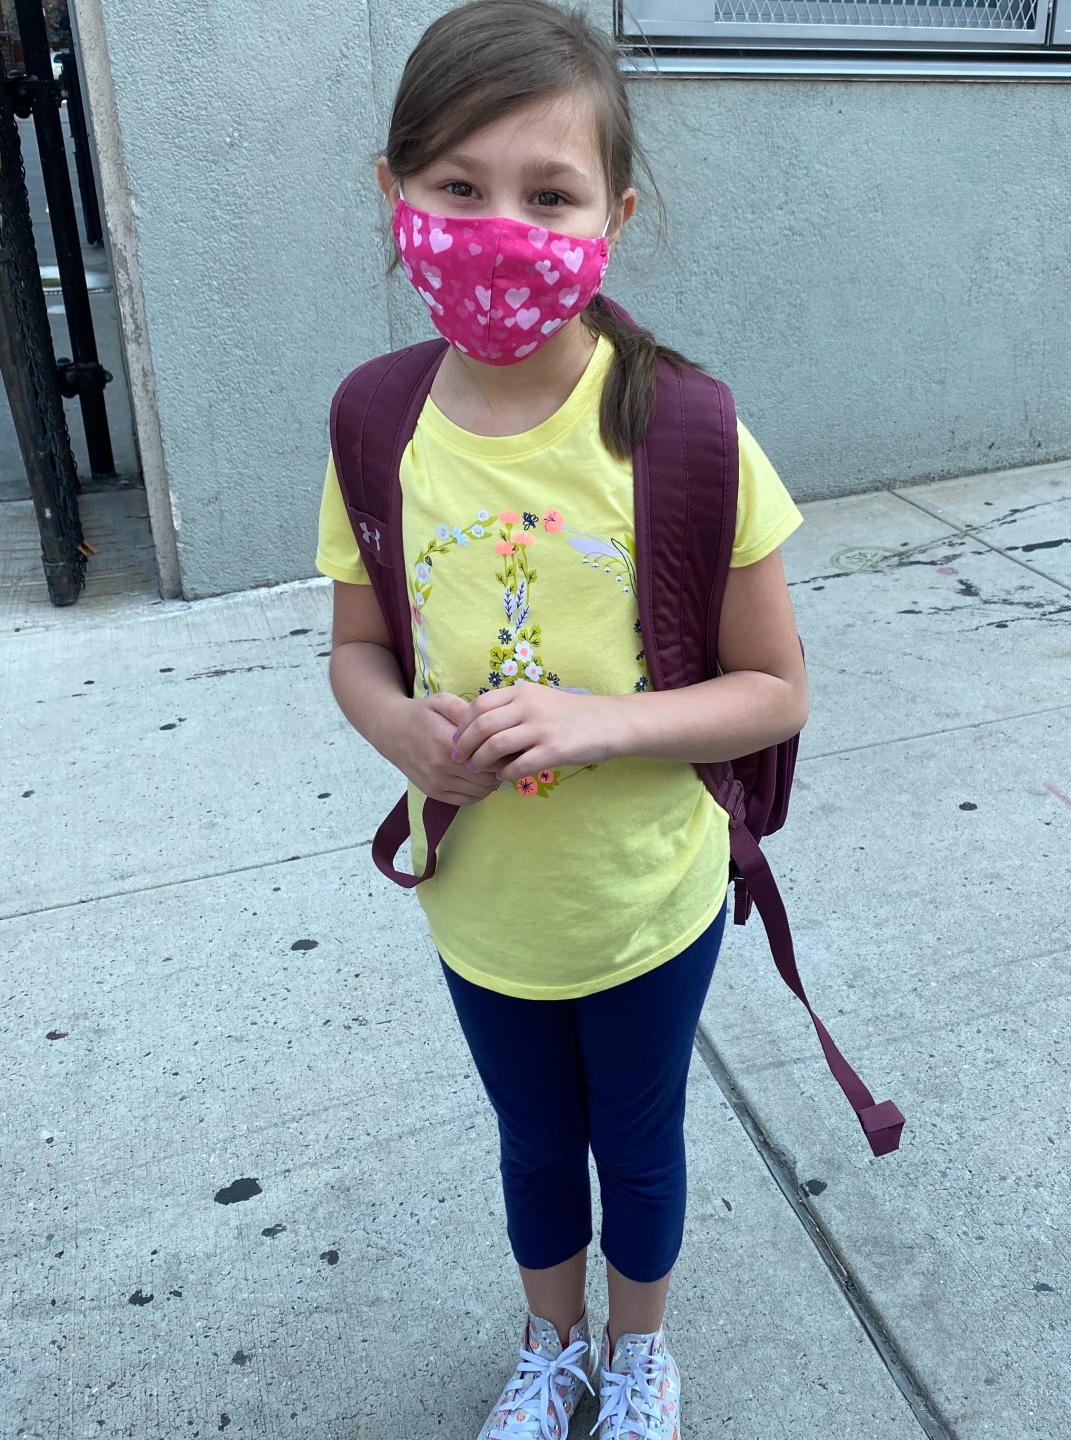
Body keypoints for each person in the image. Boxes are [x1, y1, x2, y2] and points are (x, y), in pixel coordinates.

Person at [314, 2, 807, 1435]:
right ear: (391, 191)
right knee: (534, 1141)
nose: (496, 226)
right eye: (455, 188)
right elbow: (354, 648)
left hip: (641, 897)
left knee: (637, 1147)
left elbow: (770, 687)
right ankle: (553, 1346)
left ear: (615, 214)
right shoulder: (373, 426)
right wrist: (395, 729)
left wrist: (601, 721)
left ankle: (638, 1353)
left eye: (547, 193)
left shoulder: (684, 431)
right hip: (481, 898)